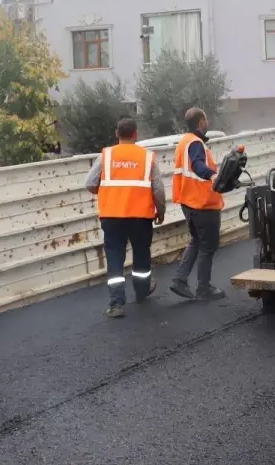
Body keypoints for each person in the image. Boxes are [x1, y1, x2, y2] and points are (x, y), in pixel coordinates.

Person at [85, 118, 166, 318]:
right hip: (140, 217)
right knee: (141, 255)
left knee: (114, 258)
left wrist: (104, 191)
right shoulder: (147, 157)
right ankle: (141, 293)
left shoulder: (106, 155)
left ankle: (116, 304)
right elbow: (158, 189)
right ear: (135, 134)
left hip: (112, 216)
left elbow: (89, 183)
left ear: (116, 134)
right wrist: (160, 211)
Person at [170, 107, 226, 301]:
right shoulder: (195, 143)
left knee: (196, 241)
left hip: (189, 202)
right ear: (202, 122)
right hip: (202, 203)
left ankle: (179, 279)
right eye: (206, 120)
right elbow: (198, 165)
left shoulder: (183, 142)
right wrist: (213, 175)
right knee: (208, 247)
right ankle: (204, 288)